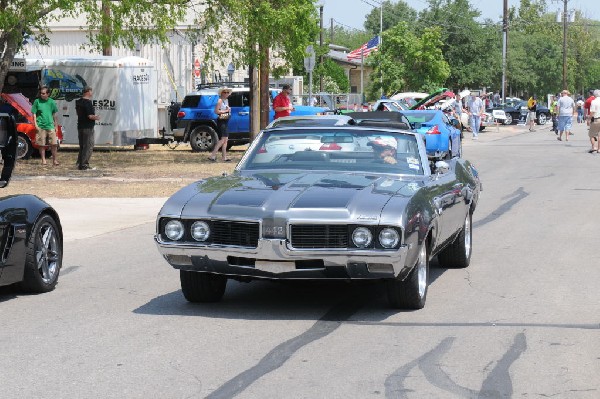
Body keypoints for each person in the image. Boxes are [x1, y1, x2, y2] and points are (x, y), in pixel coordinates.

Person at [31, 86, 59, 166]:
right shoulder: (37, 101)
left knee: (54, 144)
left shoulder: (52, 102)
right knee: (41, 144)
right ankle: (43, 160)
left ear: (48, 94)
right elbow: (34, 113)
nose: (41, 95)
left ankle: (55, 160)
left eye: (43, 93)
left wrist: (56, 126)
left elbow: (54, 114)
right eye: (41, 93)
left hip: (50, 126)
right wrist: (35, 124)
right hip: (41, 125)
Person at [75, 86, 100, 170]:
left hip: (80, 126)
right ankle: (84, 165)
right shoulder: (88, 102)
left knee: (82, 146)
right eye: (91, 91)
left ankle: (79, 163)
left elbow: (79, 114)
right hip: (88, 127)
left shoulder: (78, 102)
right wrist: (97, 117)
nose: (91, 93)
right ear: (88, 92)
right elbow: (90, 116)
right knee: (89, 145)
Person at [209, 87, 232, 162]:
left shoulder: (226, 101)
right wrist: (225, 111)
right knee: (223, 139)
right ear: (221, 93)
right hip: (221, 120)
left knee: (226, 139)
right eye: (224, 92)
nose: (226, 94)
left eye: (227, 92)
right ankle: (212, 155)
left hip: (226, 120)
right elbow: (216, 111)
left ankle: (224, 157)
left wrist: (228, 110)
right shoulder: (220, 101)